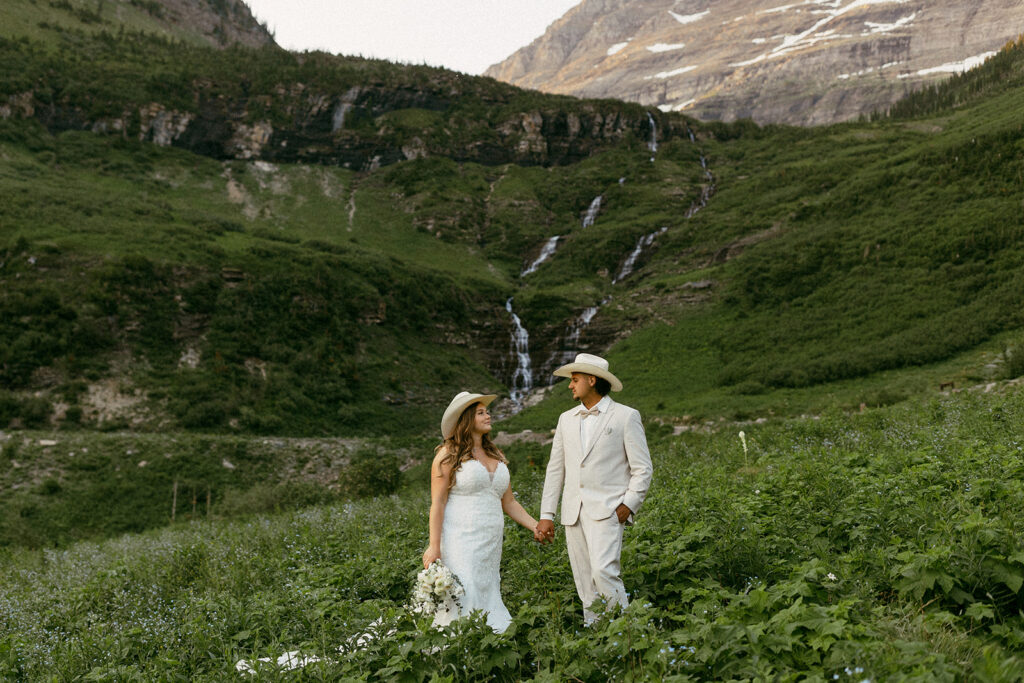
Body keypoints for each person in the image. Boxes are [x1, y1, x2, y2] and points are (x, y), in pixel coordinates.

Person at [535, 353, 653, 625]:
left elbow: (642, 468)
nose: (569, 385)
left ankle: (625, 633)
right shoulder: (566, 419)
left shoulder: (626, 416)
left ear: (592, 380)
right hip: (573, 512)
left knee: (603, 572)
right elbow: (556, 469)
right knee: (585, 580)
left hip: (608, 509)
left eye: (574, 380)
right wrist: (546, 514)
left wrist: (628, 505)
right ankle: (596, 636)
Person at [423, 391, 540, 633]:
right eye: (481, 412)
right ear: (466, 419)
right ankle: (461, 641)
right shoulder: (448, 455)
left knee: (486, 587)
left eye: (487, 411)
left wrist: (535, 526)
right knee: (466, 587)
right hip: (460, 537)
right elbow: (438, 503)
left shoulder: (497, 455)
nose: (488, 415)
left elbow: (509, 503)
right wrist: (434, 546)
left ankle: (486, 639)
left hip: (490, 541)